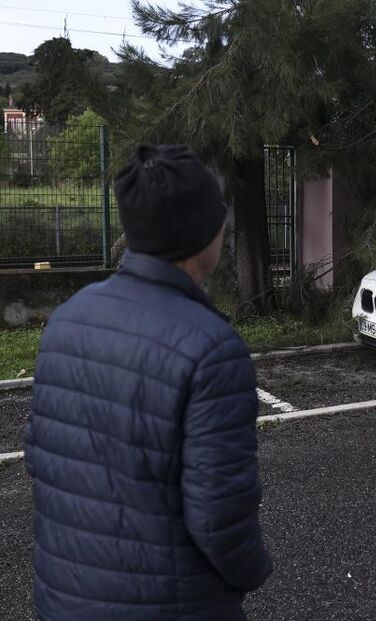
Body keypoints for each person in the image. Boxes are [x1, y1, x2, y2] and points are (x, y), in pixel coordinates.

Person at [23, 144, 273, 620]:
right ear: (208, 230)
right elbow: (218, 516)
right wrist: (252, 569)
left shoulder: (67, 319)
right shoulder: (212, 349)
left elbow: (41, 455)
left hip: (63, 597)